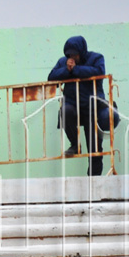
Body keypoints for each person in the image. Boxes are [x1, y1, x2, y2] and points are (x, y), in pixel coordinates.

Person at [48, 36, 106, 176]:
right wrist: (67, 70)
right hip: (73, 104)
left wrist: (76, 70)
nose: (72, 57)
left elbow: (99, 72)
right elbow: (51, 77)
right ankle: (75, 144)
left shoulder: (96, 58)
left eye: (75, 54)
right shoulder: (63, 62)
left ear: (82, 51)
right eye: (69, 55)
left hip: (92, 107)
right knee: (64, 111)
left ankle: (93, 179)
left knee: (94, 148)